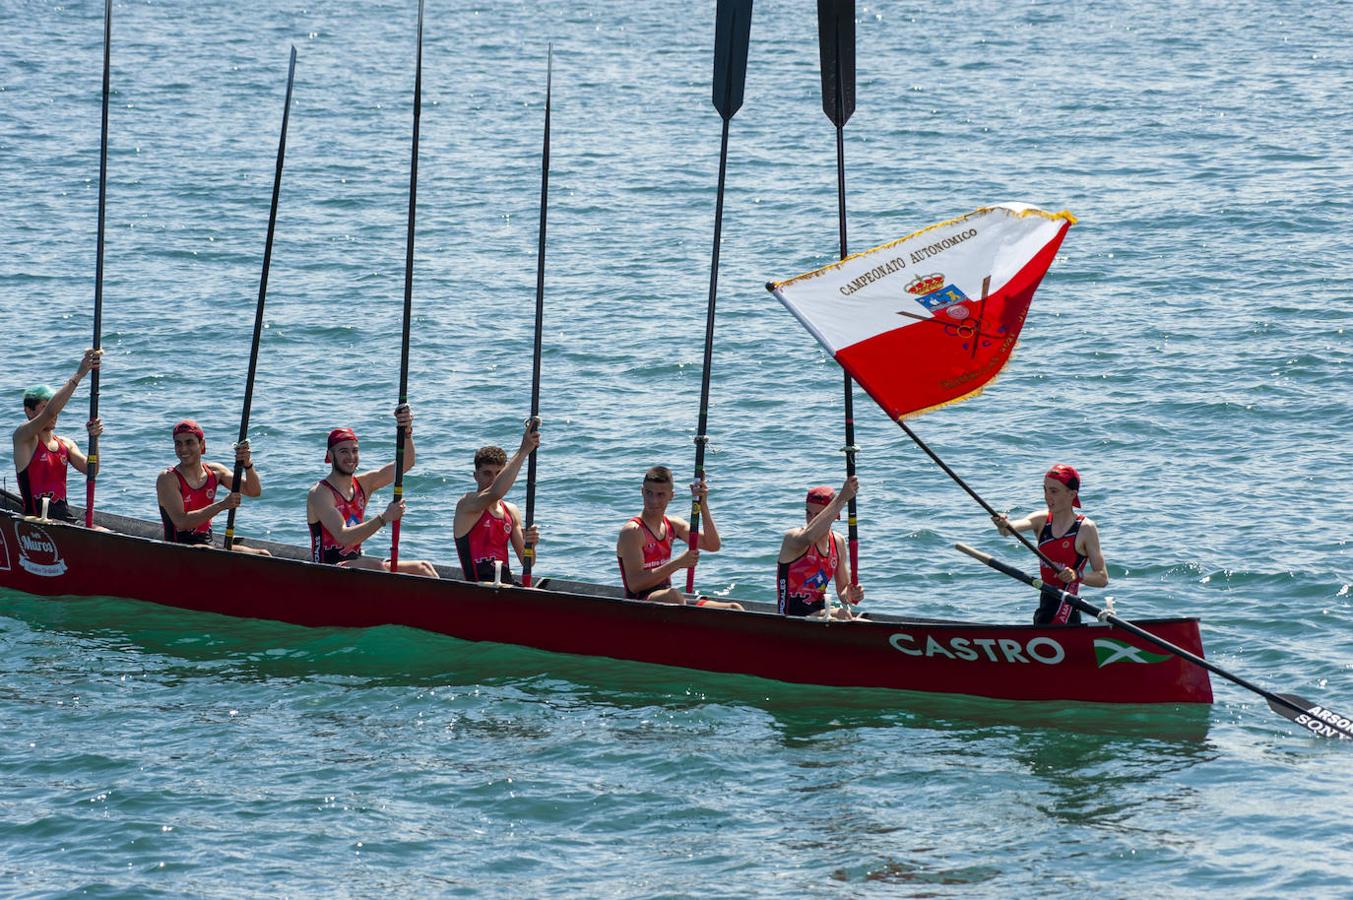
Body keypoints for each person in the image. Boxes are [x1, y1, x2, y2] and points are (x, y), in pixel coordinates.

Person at [306, 405, 438, 577]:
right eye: (343, 451)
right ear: (330, 456)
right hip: (327, 570)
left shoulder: (364, 484)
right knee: (376, 568)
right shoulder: (320, 493)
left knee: (423, 568)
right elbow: (343, 536)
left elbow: (406, 463)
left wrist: (406, 430)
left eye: (355, 451)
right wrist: (384, 518)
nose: (351, 457)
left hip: (355, 562)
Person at [992, 463, 1108, 625]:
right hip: (1043, 610)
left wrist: (1076, 576)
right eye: (1045, 490)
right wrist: (1002, 523)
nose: (1047, 496)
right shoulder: (1041, 520)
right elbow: (1008, 530)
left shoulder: (1085, 528)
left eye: (1054, 491)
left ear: (1072, 494)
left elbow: (1102, 578)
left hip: (1068, 614)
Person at [615, 466, 742, 610]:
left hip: (669, 600)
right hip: (640, 603)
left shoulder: (673, 525)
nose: (653, 500)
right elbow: (635, 585)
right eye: (649, 493)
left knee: (734, 608)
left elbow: (712, 545)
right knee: (673, 596)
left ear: (671, 496)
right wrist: (678, 563)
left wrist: (703, 505)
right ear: (642, 491)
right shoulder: (633, 531)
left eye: (660, 494)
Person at [12, 348, 104, 523]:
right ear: (29, 411)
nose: (54, 414)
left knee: (104, 532)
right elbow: (51, 412)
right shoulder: (23, 437)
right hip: (36, 521)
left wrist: (95, 439)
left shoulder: (65, 444)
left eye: (52, 407)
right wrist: (79, 374)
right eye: (44, 407)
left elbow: (92, 470)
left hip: (63, 520)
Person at [154, 419, 270, 555]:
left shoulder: (215, 472)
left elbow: (253, 491)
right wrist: (222, 505)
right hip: (178, 548)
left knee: (263, 554)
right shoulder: (167, 478)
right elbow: (182, 522)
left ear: (202, 445)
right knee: (209, 551)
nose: (183, 449)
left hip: (207, 543)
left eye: (189, 442)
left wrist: (247, 464)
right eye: (178, 444)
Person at [452, 420, 541, 584]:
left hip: (505, 586)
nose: (493, 480)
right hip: (476, 589)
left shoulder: (511, 511)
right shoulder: (467, 505)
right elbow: (495, 492)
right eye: (487, 473)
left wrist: (531, 544)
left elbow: (527, 561)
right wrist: (523, 450)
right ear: (475, 476)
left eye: (499, 474)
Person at [776, 477, 863, 619]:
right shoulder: (792, 539)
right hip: (789, 618)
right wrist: (842, 498)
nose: (811, 520)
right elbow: (810, 536)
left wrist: (850, 594)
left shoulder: (838, 542)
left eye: (817, 515)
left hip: (819, 613)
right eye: (808, 513)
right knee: (842, 615)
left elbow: (843, 592)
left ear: (834, 516)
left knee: (858, 619)